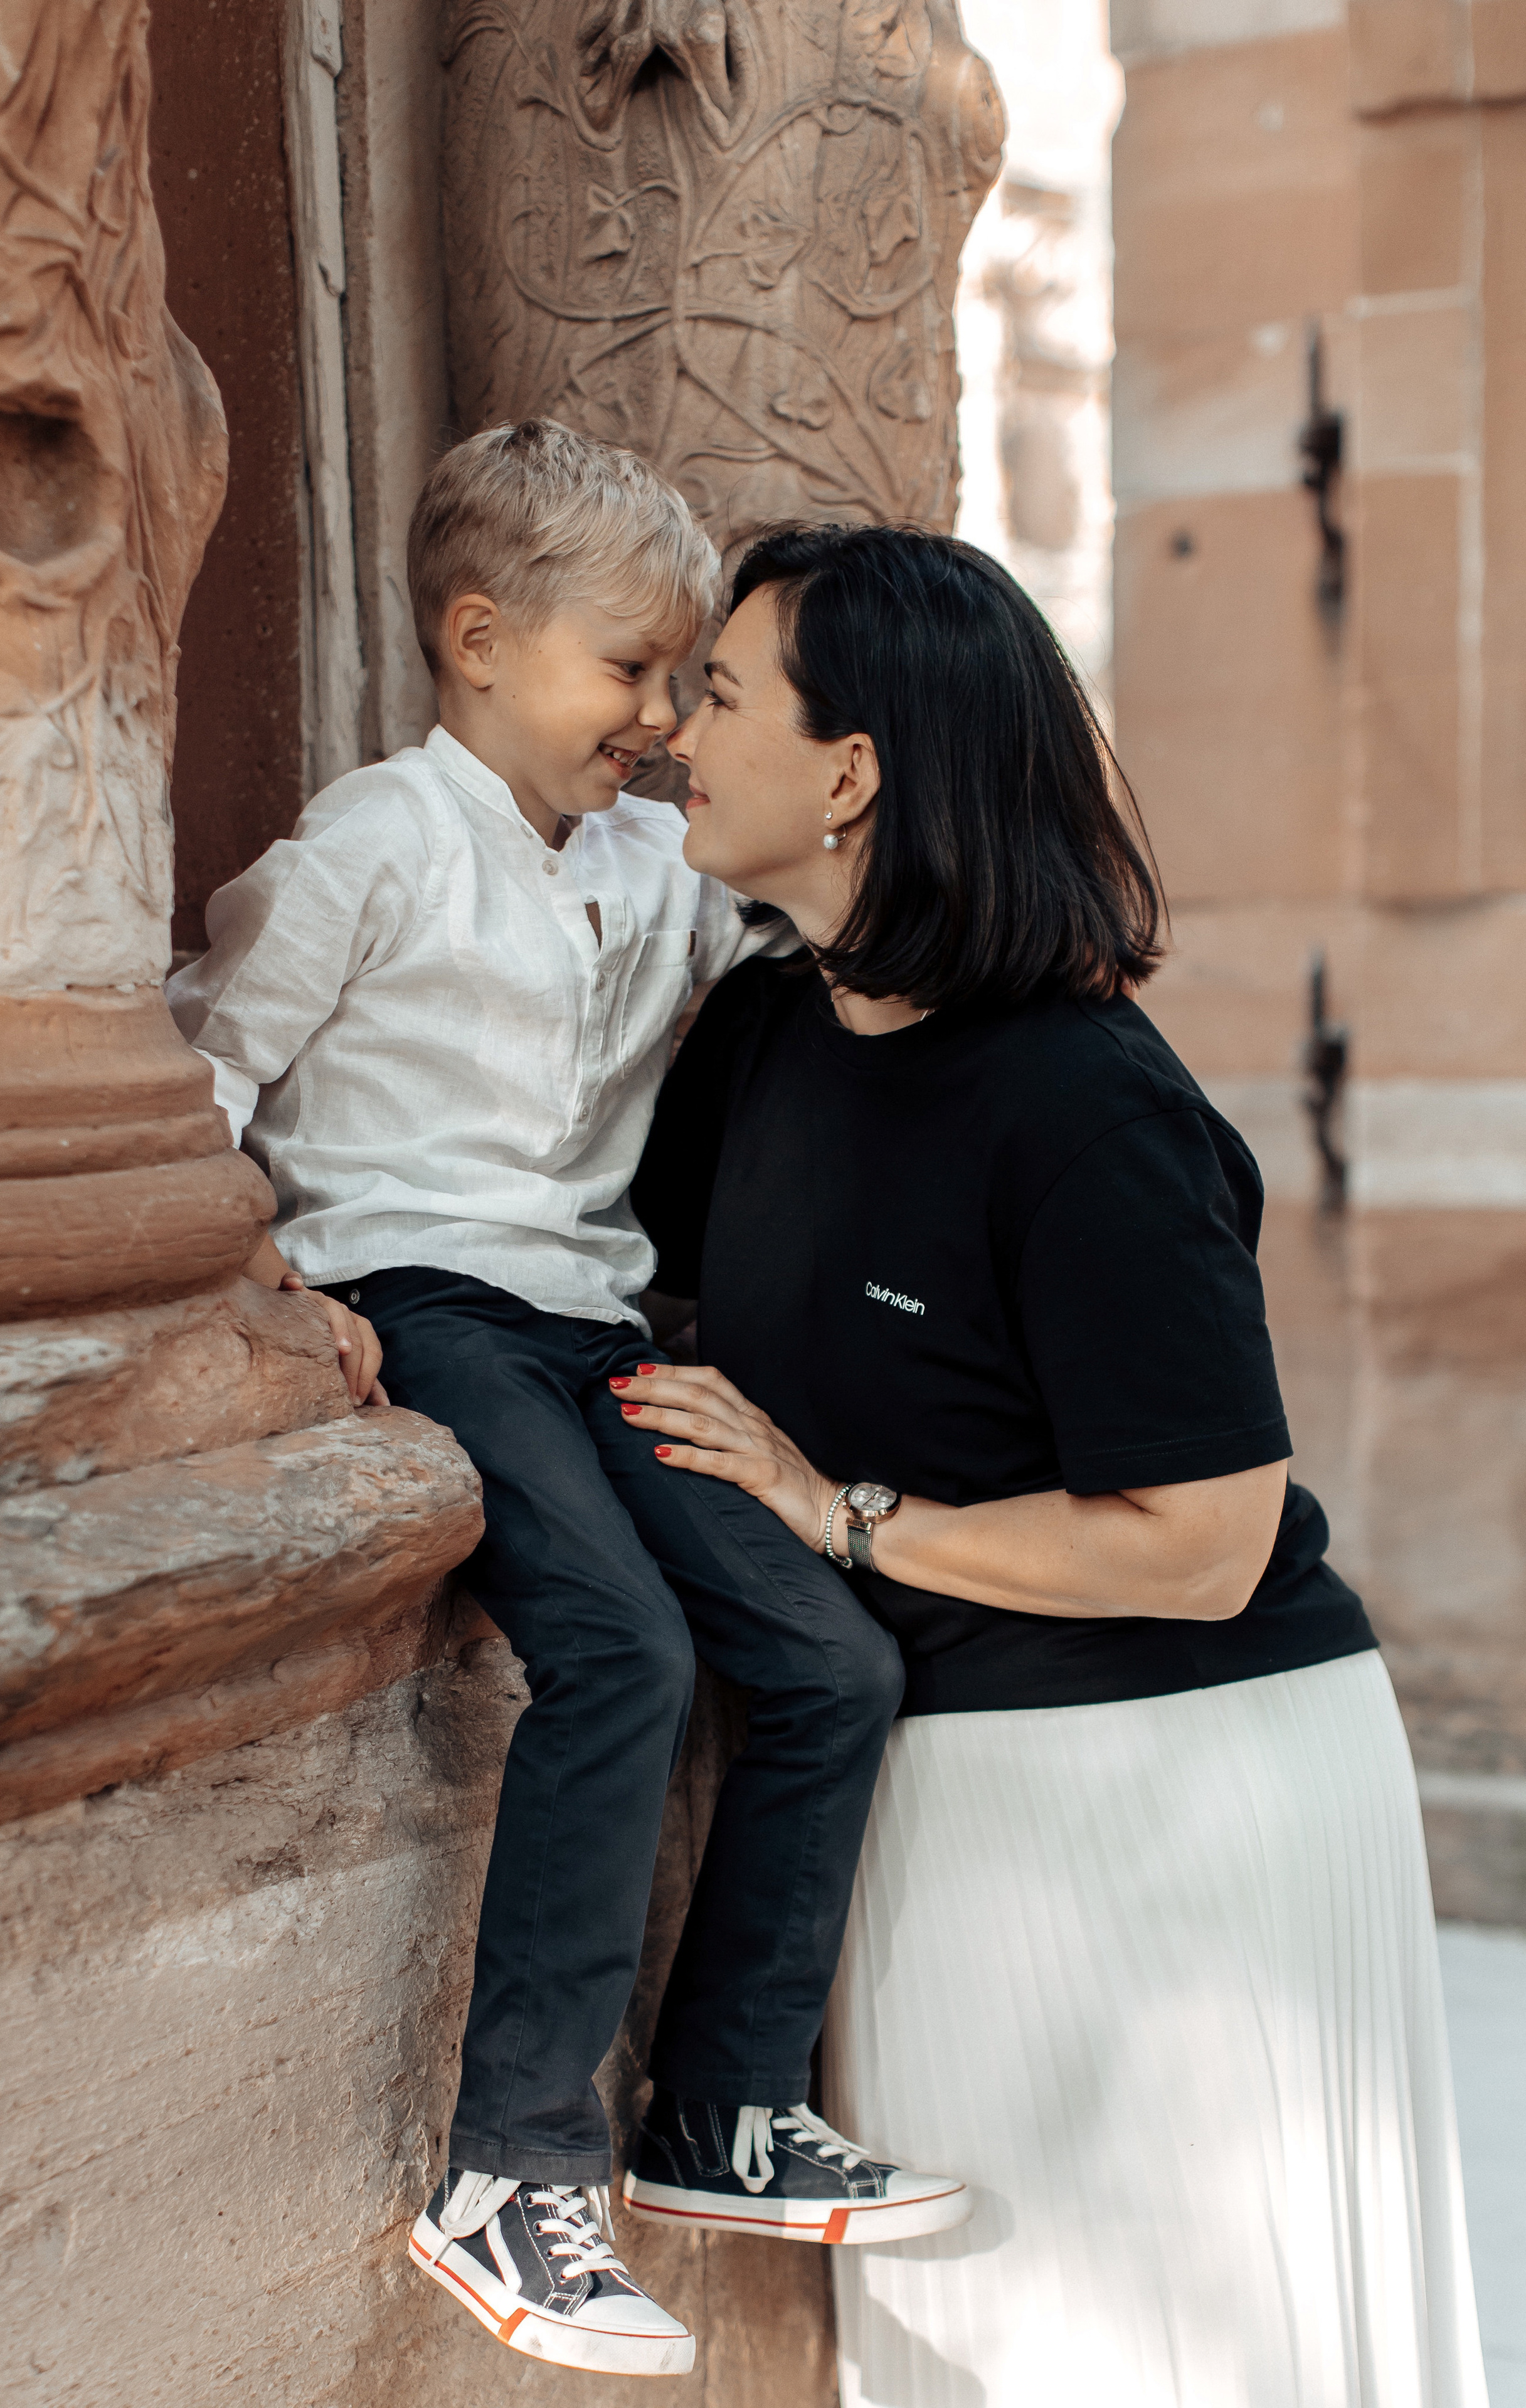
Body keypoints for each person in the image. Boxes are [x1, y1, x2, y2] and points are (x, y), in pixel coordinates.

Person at [623, 522, 1490, 2408]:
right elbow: (656, 1310)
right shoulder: (761, 1031)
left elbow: (1200, 1542)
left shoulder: (1091, 1106)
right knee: (989, 2351)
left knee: (1160, 2347)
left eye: (722, 694)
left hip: (1174, 1782)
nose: (679, 731)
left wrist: (832, 1510)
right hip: (933, 1782)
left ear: (849, 774)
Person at [166, 427, 967, 2383]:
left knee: (829, 1658)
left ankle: (721, 2107)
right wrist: (279, 1286)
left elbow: (821, 912)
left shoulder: (651, 867)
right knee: (616, 1644)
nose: (666, 716)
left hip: (601, 1329)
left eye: (693, 680)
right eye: (636, 672)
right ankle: (513, 2167)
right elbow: (206, 1073)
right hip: (427, 1300)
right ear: (478, 641)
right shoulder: (371, 844)